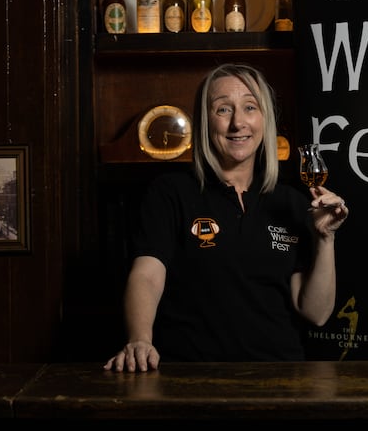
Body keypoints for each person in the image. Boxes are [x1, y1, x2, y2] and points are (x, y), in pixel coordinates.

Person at [104, 63, 349, 371]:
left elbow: (316, 313)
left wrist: (325, 239)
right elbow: (148, 276)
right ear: (206, 120)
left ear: (265, 120)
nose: (238, 123)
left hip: (280, 379)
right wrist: (140, 339)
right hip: (190, 378)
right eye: (223, 109)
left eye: (250, 107)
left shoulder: (292, 202)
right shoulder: (171, 193)